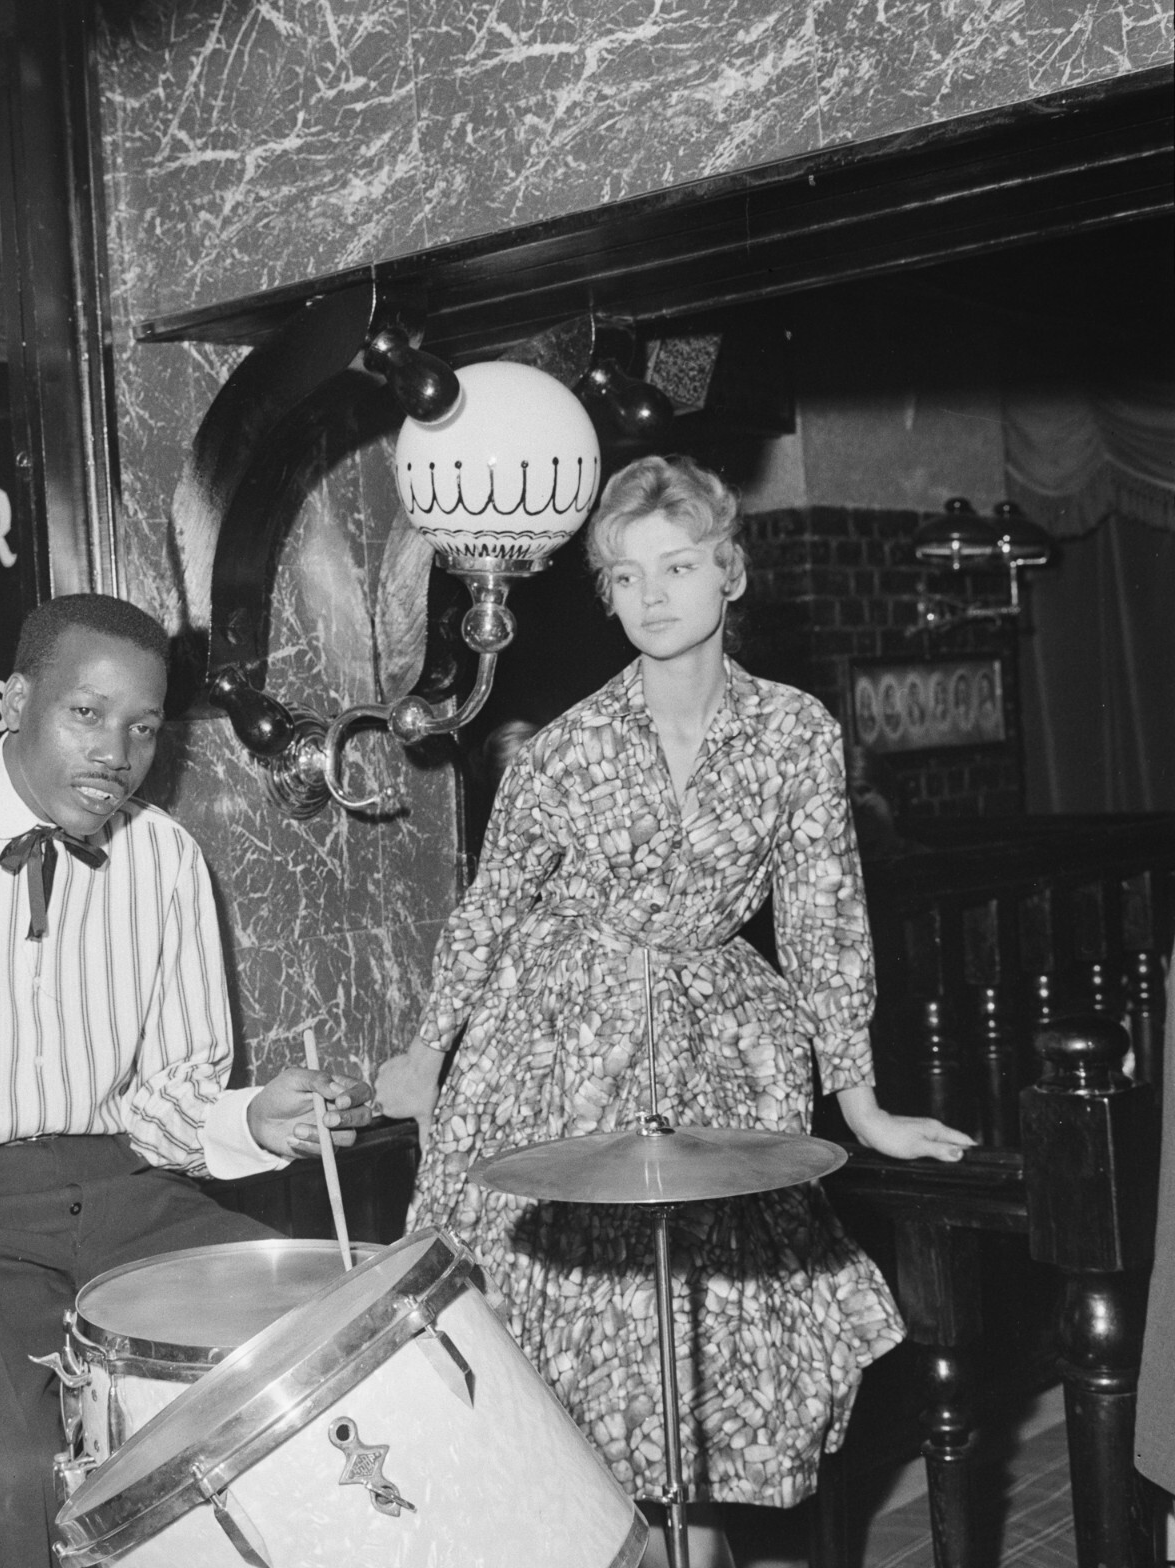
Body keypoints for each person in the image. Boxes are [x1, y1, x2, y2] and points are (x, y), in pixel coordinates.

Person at [378, 456, 973, 1564]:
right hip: (557, 1051)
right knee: (565, 1354)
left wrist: (862, 1102)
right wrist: (424, 1051)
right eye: (624, 575)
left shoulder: (794, 732)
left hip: (717, 1049)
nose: (652, 595)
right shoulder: (563, 748)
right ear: (606, 596)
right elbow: (492, 908)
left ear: (728, 574)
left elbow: (824, 918)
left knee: (692, 1349)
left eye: (678, 566)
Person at [0, 593, 375, 1568]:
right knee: (17, 1471)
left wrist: (257, 1119)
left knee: (332, 1345)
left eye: (143, 727)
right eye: (87, 714)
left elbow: (170, 1095)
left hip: (127, 1193)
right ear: (15, 700)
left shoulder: (168, 858)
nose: (116, 753)